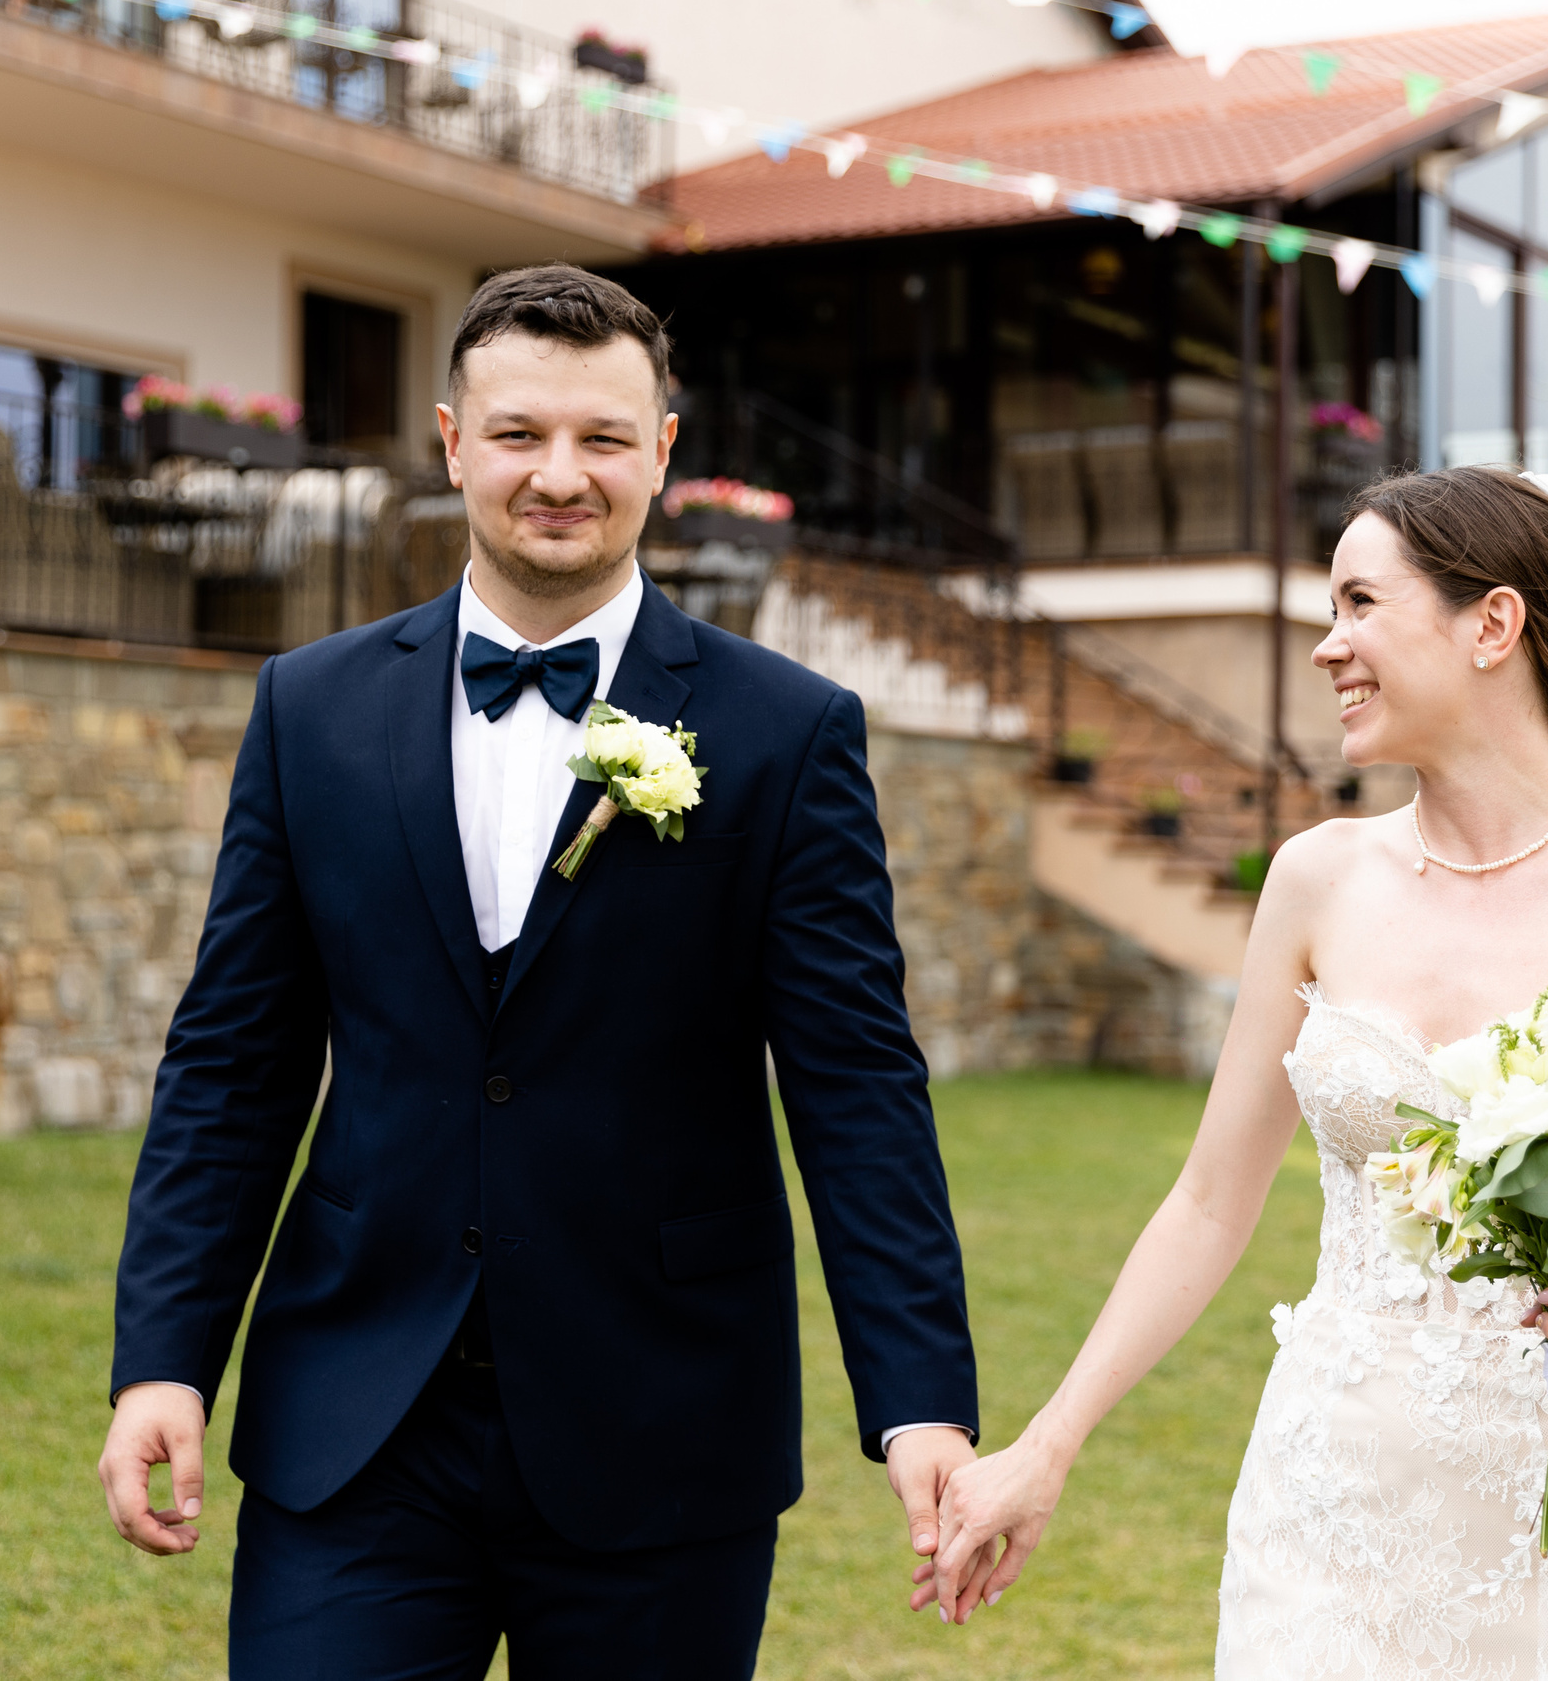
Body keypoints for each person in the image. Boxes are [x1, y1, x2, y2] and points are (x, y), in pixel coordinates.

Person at [95, 265, 979, 1679]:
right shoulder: (308, 707)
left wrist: (920, 1398)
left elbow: (857, 1085)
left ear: (664, 455)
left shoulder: (786, 730)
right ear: (452, 443)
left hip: (663, 1424)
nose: (558, 475)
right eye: (518, 434)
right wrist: (164, 1355)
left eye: (602, 438)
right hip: (356, 1423)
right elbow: (235, 1062)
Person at [926, 468, 1548, 1679]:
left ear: (1493, 624)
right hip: (1332, 1488)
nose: (1328, 647)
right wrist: (1048, 1443)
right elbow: (1211, 1201)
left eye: (1361, 604)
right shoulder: (1317, 879)